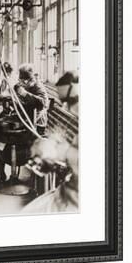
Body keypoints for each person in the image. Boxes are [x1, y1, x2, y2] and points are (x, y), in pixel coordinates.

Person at [22, 71, 79, 213]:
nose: (66, 108)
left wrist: (63, 152)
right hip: (66, 194)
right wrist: (51, 157)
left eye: (70, 101)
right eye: (63, 102)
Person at [15, 63, 49, 135]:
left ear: (30, 79)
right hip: (27, 118)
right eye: (21, 80)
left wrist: (25, 94)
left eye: (24, 80)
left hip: (37, 123)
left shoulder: (38, 86)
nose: (22, 83)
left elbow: (43, 103)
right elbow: (16, 87)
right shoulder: (26, 85)